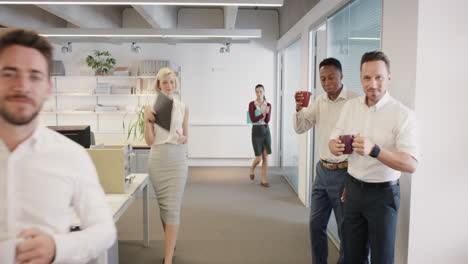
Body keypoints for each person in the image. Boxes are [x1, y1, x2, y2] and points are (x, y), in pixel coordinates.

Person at [0, 28, 116, 263]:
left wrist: (57, 247)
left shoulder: (71, 155)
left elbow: (104, 230)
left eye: (35, 76)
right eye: (9, 74)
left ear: (48, 88)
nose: (22, 86)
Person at [329, 51, 420, 264]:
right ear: (360, 78)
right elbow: (332, 141)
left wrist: (375, 150)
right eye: (367, 78)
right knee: (351, 257)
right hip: (352, 191)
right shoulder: (350, 107)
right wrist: (336, 146)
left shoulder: (403, 114)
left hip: (383, 195)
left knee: (382, 259)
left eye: (378, 77)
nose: (373, 84)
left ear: (389, 77)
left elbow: (411, 164)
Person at [294, 58, 359, 264]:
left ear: (341, 76)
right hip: (322, 171)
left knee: (344, 230)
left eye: (331, 77)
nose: (327, 82)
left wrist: (353, 178)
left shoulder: (355, 102)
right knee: (315, 225)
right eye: (323, 78)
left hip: (344, 173)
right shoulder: (319, 102)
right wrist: (298, 109)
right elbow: (300, 128)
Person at [143, 67, 189, 264]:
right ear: (158, 85)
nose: (169, 86)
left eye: (171, 82)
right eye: (164, 82)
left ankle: (168, 258)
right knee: (164, 208)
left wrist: (182, 138)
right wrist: (147, 120)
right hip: (158, 159)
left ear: (175, 83)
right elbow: (149, 141)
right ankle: (172, 242)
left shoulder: (183, 107)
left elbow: (186, 137)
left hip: (177, 159)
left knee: (172, 209)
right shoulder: (151, 107)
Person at [248, 84, 272, 187]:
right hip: (256, 131)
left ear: (264, 92)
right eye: (257, 92)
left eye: (260, 91)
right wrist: (262, 114)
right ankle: (252, 168)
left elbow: (267, 120)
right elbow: (252, 119)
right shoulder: (252, 104)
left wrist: (266, 114)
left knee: (265, 157)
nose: (259, 94)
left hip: (266, 131)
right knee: (258, 158)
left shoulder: (268, 105)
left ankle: (263, 180)